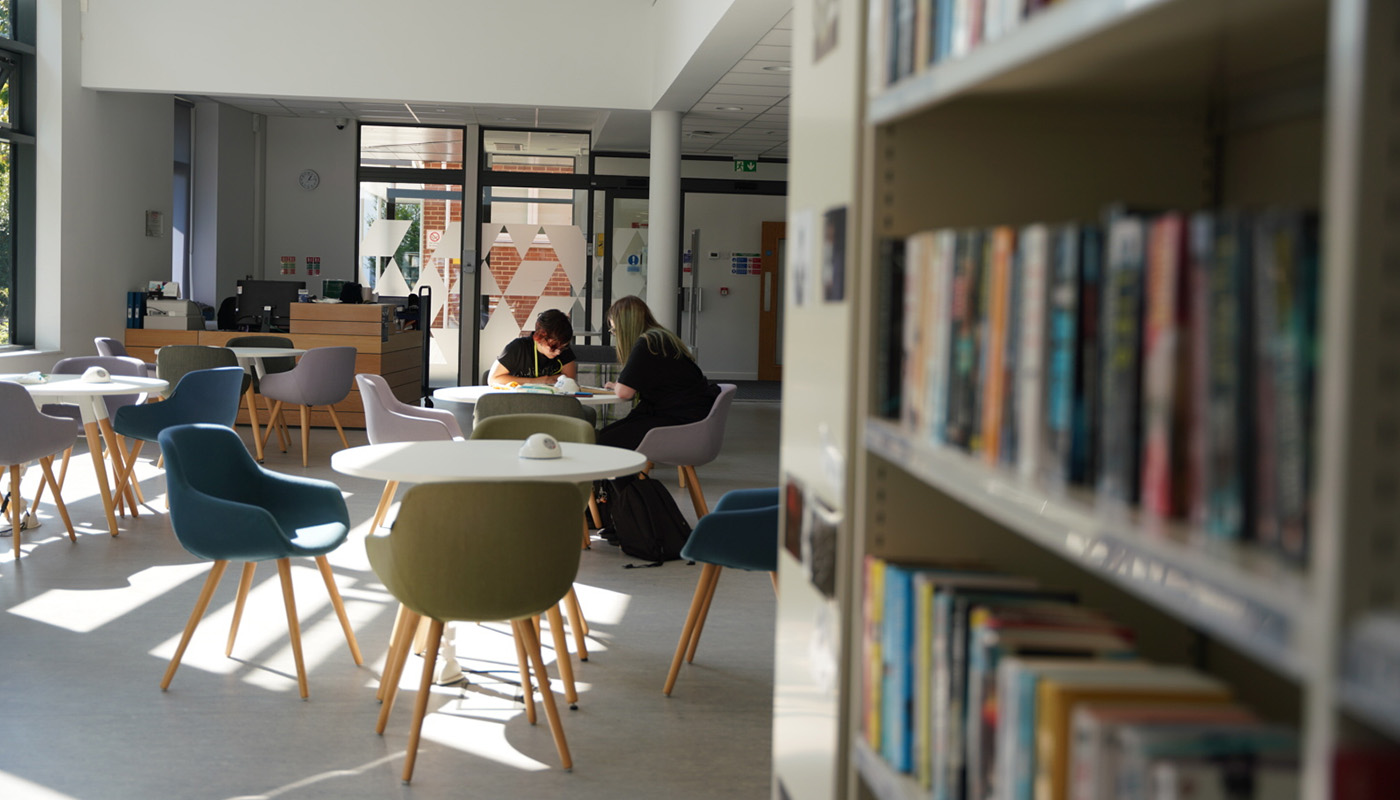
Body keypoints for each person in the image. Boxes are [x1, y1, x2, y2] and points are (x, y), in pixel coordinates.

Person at [597, 295, 719, 451]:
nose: (615, 334)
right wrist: (620, 386)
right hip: (692, 414)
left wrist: (618, 387)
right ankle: (630, 476)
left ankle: (625, 476)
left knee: (603, 443)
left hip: (678, 420)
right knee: (606, 436)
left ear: (625, 327)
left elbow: (624, 393)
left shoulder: (646, 343)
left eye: (614, 330)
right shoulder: (661, 337)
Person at [487, 308, 578, 386]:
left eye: (563, 347)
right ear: (539, 337)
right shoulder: (518, 348)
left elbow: (570, 380)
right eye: (553, 347)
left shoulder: (564, 350)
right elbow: (493, 379)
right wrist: (536, 381)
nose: (558, 352)